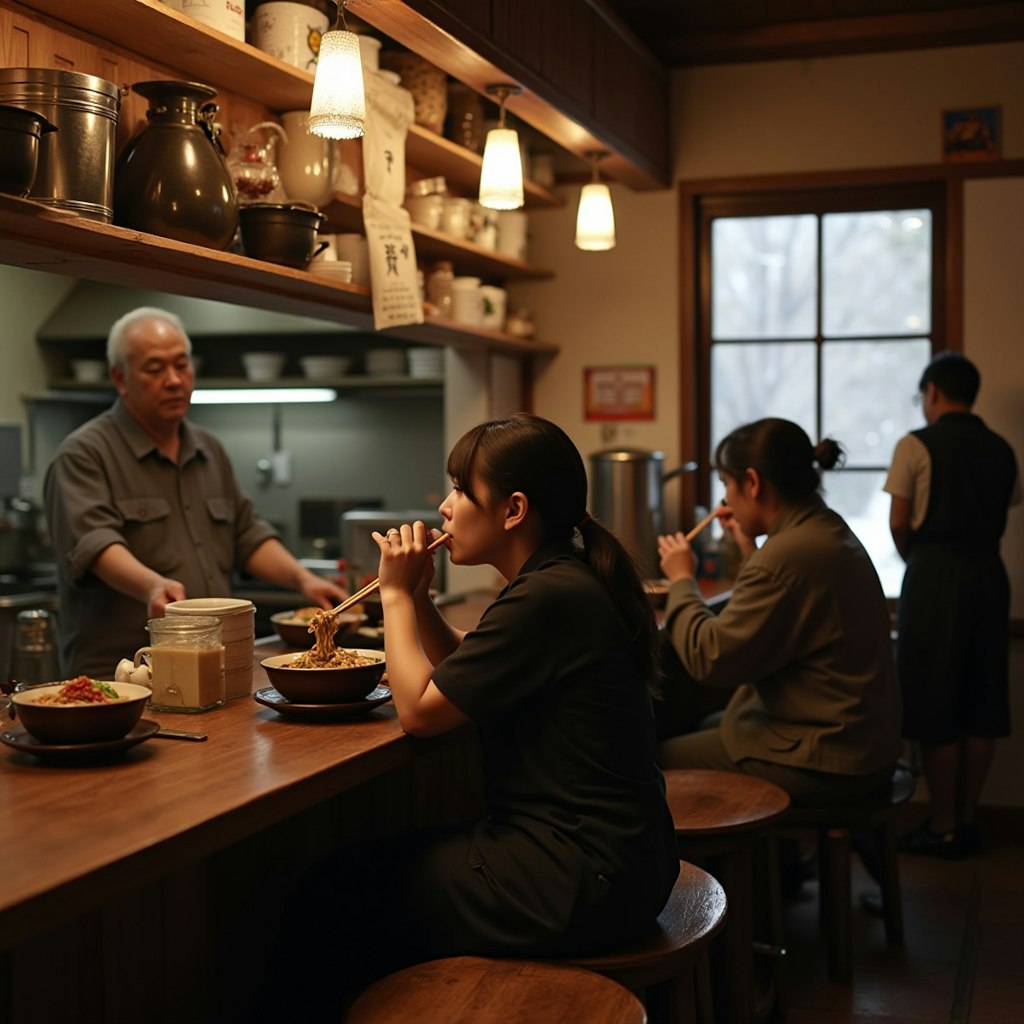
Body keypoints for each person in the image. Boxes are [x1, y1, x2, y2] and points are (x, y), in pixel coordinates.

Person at [250, 413, 679, 1020]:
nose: (445, 508)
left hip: (578, 881)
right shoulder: (563, 577)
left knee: (328, 893)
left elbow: (421, 713)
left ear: (513, 510)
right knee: (368, 872)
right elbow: (466, 675)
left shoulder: (549, 595)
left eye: (460, 490)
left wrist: (395, 596)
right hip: (620, 863)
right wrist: (420, 598)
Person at [43, 307, 346, 678]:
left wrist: (304, 579)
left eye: (182, 365)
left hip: (210, 664)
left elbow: (246, 536)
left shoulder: (208, 448)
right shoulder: (84, 453)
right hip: (124, 672)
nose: (174, 380)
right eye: (155, 369)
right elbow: (94, 544)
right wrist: (152, 585)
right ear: (119, 378)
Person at [657, 418, 902, 806]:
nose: (727, 502)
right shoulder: (823, 529)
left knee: (652, 760)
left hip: (830, 756)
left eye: (727, 487)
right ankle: (779, 868)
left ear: (753, 483)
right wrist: (749, 548)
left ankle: (735, 866)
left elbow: (711, 658)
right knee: (709, 724)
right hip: (859, 739)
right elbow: (786, 603)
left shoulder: (789, 553)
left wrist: (682, 579)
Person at [885, 352, 1020, 858]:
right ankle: (967, 821)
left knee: (935, 696)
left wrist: (916, 562)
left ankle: (939, 823)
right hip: (989, 573)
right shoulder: (1001, 449)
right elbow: (1005, 505)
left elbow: (899, 521)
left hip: (935, 573)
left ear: (933, 392)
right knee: (983, 699)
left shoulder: (915, 445)